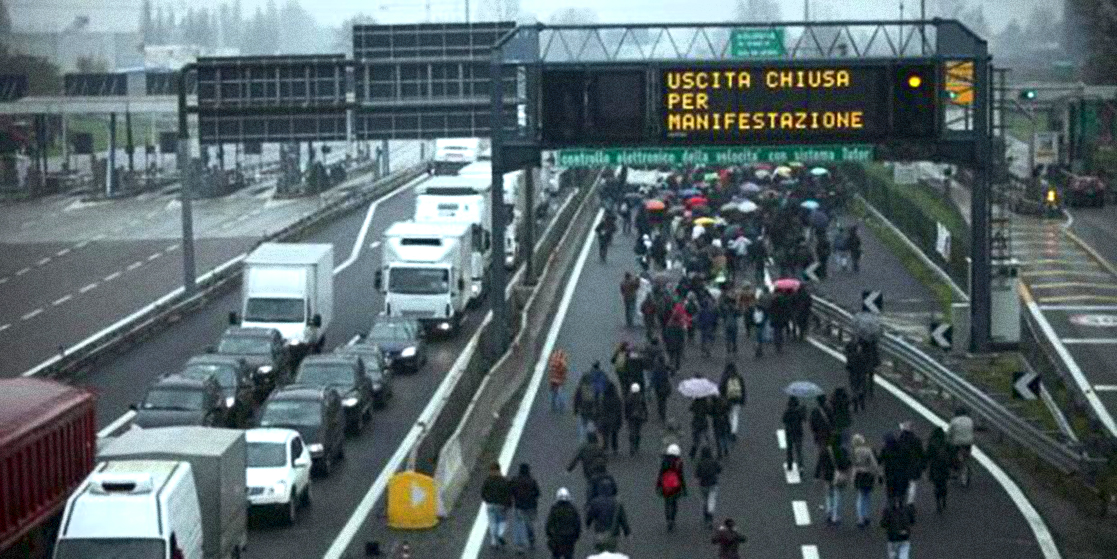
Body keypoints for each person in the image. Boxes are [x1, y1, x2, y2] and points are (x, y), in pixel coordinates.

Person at [584, 481, 631, 552]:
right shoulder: (617, 502)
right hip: (613, 534)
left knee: (601, 553)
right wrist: (627, 532)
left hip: (600, 533)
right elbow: (623, 519)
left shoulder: (595, 502)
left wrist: (588, 524)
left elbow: (590, 516)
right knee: (612, 552)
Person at [816, 434, 851, 525]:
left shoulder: (825, 450)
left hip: (827, 475)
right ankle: (836, 516)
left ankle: (829, 512)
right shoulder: (841, 451)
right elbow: (845, 463)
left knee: (828, 494)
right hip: (837, 475)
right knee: (837, 495)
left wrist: (817, 475)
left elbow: (820, 463)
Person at [851, 433, 883, 527]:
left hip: (858, 474)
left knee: (860, 496)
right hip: (868, 474)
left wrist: (852, 479)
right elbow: (874, 464)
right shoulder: (868, 450)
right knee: (867, 495)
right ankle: (866, 516)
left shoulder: (854, 452)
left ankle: (860, 518)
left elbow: (853, 466)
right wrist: (879, 473)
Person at [897, 421, 925, 522]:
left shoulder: (900, 440)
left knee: (902, 485)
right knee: (912, 484)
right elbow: (921, 454)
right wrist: (922, 465)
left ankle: (901, 501)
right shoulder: (917, 440)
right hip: (913, 467)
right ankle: (910, 503)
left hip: (901, 467)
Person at [656, 443, 688, 532]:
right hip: (675, 485)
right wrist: (684, 487)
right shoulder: (679, 462)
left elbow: (661, 474)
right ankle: (673, 519)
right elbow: (681, 475)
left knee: (667, 503)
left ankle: (668, 519)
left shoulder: (665, 461)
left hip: (666, 485)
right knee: (674, 503)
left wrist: (658, 485)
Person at [480, 462, 512, 548]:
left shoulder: (487, 480)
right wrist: (508, 504)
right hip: (501, 505)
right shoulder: (504, 481)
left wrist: (487, 500)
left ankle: (494, 542)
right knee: (502, 522)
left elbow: (483, 492)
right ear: (499, 470)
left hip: (490, 505)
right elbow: (508, 494)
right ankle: (500, 534)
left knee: (492, 523)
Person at [510, 463, 540, 552]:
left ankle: (520, 546)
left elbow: (510, 491)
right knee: (529, 525)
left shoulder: (515, 480)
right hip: (531, 507)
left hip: (519, 506)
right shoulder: (532, 481)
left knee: (518, 525)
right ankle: (531, 540)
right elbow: (537, 493)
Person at [545, 488, 581, 559]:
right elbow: (577, 524)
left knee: (556, 555)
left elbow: (549, 524)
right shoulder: (572, 509)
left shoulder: (555, 509)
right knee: (569, 556)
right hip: (569, 538)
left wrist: (550, 535)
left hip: (557, 538)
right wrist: (576, 536)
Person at [878, 432, 909, 510]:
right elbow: (907, 460)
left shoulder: (885, 450)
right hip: (901, 475)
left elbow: (879, 461)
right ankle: (902, 508)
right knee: (901, 493)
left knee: (891, 494)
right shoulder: (902, 448)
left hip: (889, 475)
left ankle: (892, 510)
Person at [925, 427, 953, 513]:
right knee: (944, 484)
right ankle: (944, 499)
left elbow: (927, 456)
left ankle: (938, 504)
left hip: (935, 467)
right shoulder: (946, 443)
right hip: (944, 467)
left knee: (936, 486)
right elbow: (951, 454)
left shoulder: (932, 444)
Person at [694, 446, 722, 529]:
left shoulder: (700, 462)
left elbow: (697, 474)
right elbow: (719, 469)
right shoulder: (713, 461)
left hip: (703, 484)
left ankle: (706, 517)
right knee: (711, 500)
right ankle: (710, 518)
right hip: (713, 483)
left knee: (705, 500)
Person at [720, 363, 746, 441]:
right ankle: (734, 432)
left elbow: (721, 389)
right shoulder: (739, 377)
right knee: (735, 416)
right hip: (737, 399)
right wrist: (743, 400)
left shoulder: (725, 377)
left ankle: (729, 430)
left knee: (728, 415)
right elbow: (743, 389)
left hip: (728, 399)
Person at [947, 407, 974, 478]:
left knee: (952, 454)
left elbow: (949, 433)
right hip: (969, 441)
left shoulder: (954, 421)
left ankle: (955, 469)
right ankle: (966, 461)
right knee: (966, 453)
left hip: (957, 442)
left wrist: (948, 440)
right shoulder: (970, 420)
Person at [781, 396, 807, 471]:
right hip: (798, 432)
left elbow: (784, 420)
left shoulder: (787, 411)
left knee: (789, 449)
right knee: (799, 450)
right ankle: (800, 466)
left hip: (789, 432)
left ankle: (790, 464)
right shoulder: (799, 411)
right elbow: (804, 419)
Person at [600, 381, 624, 455]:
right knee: (614, 434)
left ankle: (605, 448)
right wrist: (620, 419)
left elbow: (601, 408)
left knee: (605, 434)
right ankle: (615, 448)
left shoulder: (604, 398)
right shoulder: (616, 398)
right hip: (614, 418)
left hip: (605, 418)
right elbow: (619, 410)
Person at [624, 382, 648, 455]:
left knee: (631, 431)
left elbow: (626, 408)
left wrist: (626, 416)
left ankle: (632, 446)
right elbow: (644, 407)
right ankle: (636, 446)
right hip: (639, 416)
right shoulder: (641, 397)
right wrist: (646, 416)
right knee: (638, 432)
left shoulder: (628, 397)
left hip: (631, 417)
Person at [650, 356, 672, 422]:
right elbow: (672, 370)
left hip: (658, 387)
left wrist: (651, 385)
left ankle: (661, 414)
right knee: (664, 401)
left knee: (659, 401)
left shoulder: (656, 368)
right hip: (665, 386)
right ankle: (663, 415)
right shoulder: (665, 367)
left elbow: (654, 378)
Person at [547, 349, 569, 413]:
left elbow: (550, 370)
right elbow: (563, 371)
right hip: (559, 380)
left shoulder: (552, 361)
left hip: (552, 379)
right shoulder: (562, 363)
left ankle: (553, 406)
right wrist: (564, 378)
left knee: (554, 393)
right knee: (559, 393)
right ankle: (562, 406)